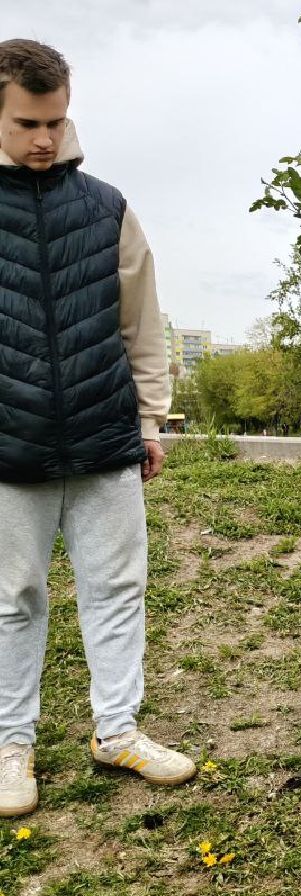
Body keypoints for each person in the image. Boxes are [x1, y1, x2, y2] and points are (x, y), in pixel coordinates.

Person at [0, 39, 197, 818]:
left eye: (55, 121)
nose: (45, 137)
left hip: (103, 433)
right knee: (12, 598)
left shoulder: (106, 207)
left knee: (117, 590)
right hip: (8, 447)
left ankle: (117, 731)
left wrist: (148, 419)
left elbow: (143, 324)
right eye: (27, 123)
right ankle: (10, 748)